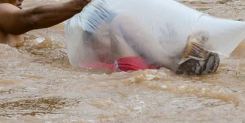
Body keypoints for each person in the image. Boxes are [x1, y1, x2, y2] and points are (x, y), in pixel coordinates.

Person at [80, 14, 220, 75]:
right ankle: (173, 62)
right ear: (93, 47)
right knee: (120, 21)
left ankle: (192, 58)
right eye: (106, 37)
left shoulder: (145, 50)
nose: (111, 41)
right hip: (130, 69)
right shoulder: (91, 65)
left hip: (153, 67)